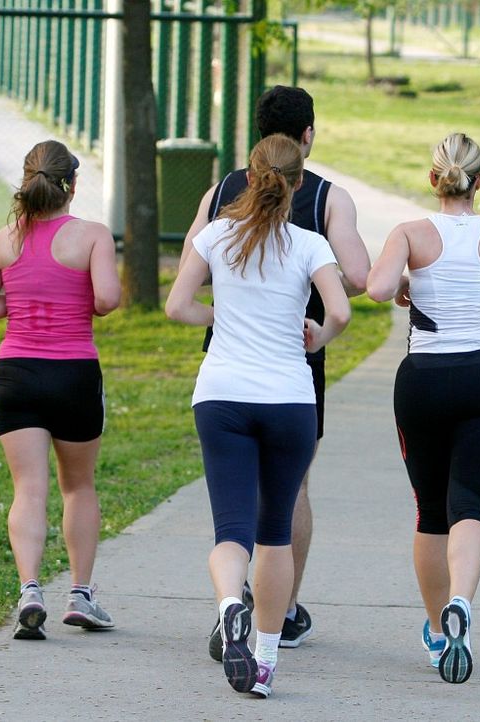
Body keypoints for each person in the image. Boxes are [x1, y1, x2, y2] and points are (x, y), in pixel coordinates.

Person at [180, 85, 370, 659]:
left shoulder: (219, 196)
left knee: (233, 502)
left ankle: (231, 602)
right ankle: (282, 612)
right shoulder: (326, 200)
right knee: (291, 494)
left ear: (257, 137)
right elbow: (357, 280)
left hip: (227, 361)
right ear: (307, 136)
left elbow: (191, 267)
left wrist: (228, 299)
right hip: (296, 361)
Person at [367, 133, 480, 684]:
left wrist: (408, 284)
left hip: (424, 382)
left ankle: (439, 631)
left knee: (429, 511)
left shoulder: (411, 234)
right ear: (479, 181)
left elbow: (377, 287)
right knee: (470, 504)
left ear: (433, 178)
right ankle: (462, 600)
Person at [0, 140, 121, 641]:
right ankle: (80, 594)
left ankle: (30, 590)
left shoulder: (5, 239)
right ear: (72, 185)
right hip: (73, 374)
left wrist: (24, 298)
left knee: (28, 488)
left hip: (16, 375)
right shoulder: (92, 236)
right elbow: (106, 300)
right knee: (77, 485)